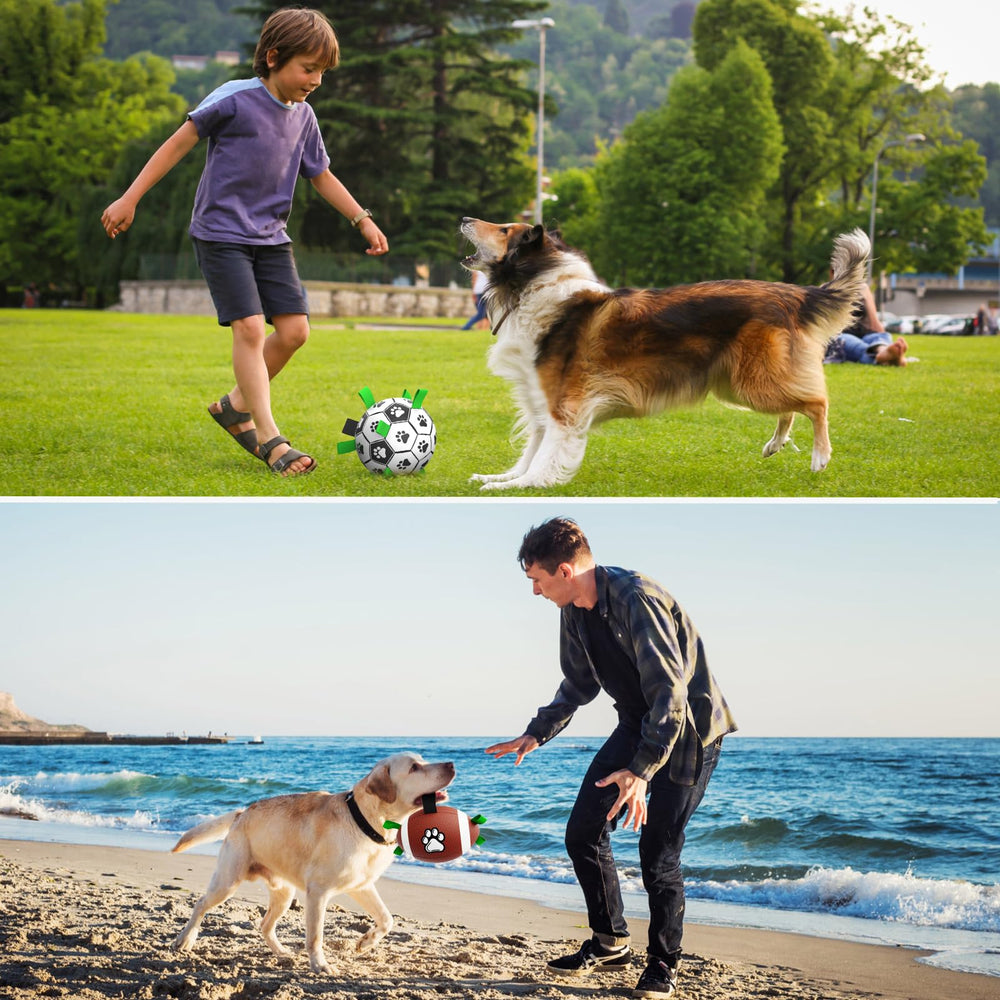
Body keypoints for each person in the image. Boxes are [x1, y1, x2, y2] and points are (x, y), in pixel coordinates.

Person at [101, 7, 388, 477]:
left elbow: (321, 175)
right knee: (251, 329)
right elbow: (178, 143)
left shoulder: (305, 116)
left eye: (322, 72)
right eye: (308, 68)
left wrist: (362, 219)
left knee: (295, 332)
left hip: (271, 238)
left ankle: (234, 407)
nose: (316, 79)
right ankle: (271, 438)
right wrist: (129, 198)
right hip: (220, 234)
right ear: (274, 57)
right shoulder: (234, 99)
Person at [486, 518, 737, 1000]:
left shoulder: (636, 599)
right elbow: (580, 683)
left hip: (687, 733)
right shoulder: (574, 606)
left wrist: (642, 772)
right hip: (637, 723)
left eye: (536, 580)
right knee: (582, 832)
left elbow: (670, 696)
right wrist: (537, 733)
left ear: (564, 570)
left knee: (658, 855)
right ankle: (610, 941)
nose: (534, 591)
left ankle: (663, 965)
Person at [824, 283, 908, 366]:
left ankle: (884, 351)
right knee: (858, 346)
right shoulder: (827, 290)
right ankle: (892, 358)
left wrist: (882, 335)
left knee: (881, 337)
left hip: (864, 333)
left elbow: (874, 321)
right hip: (841, 335)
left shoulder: (861, 288)